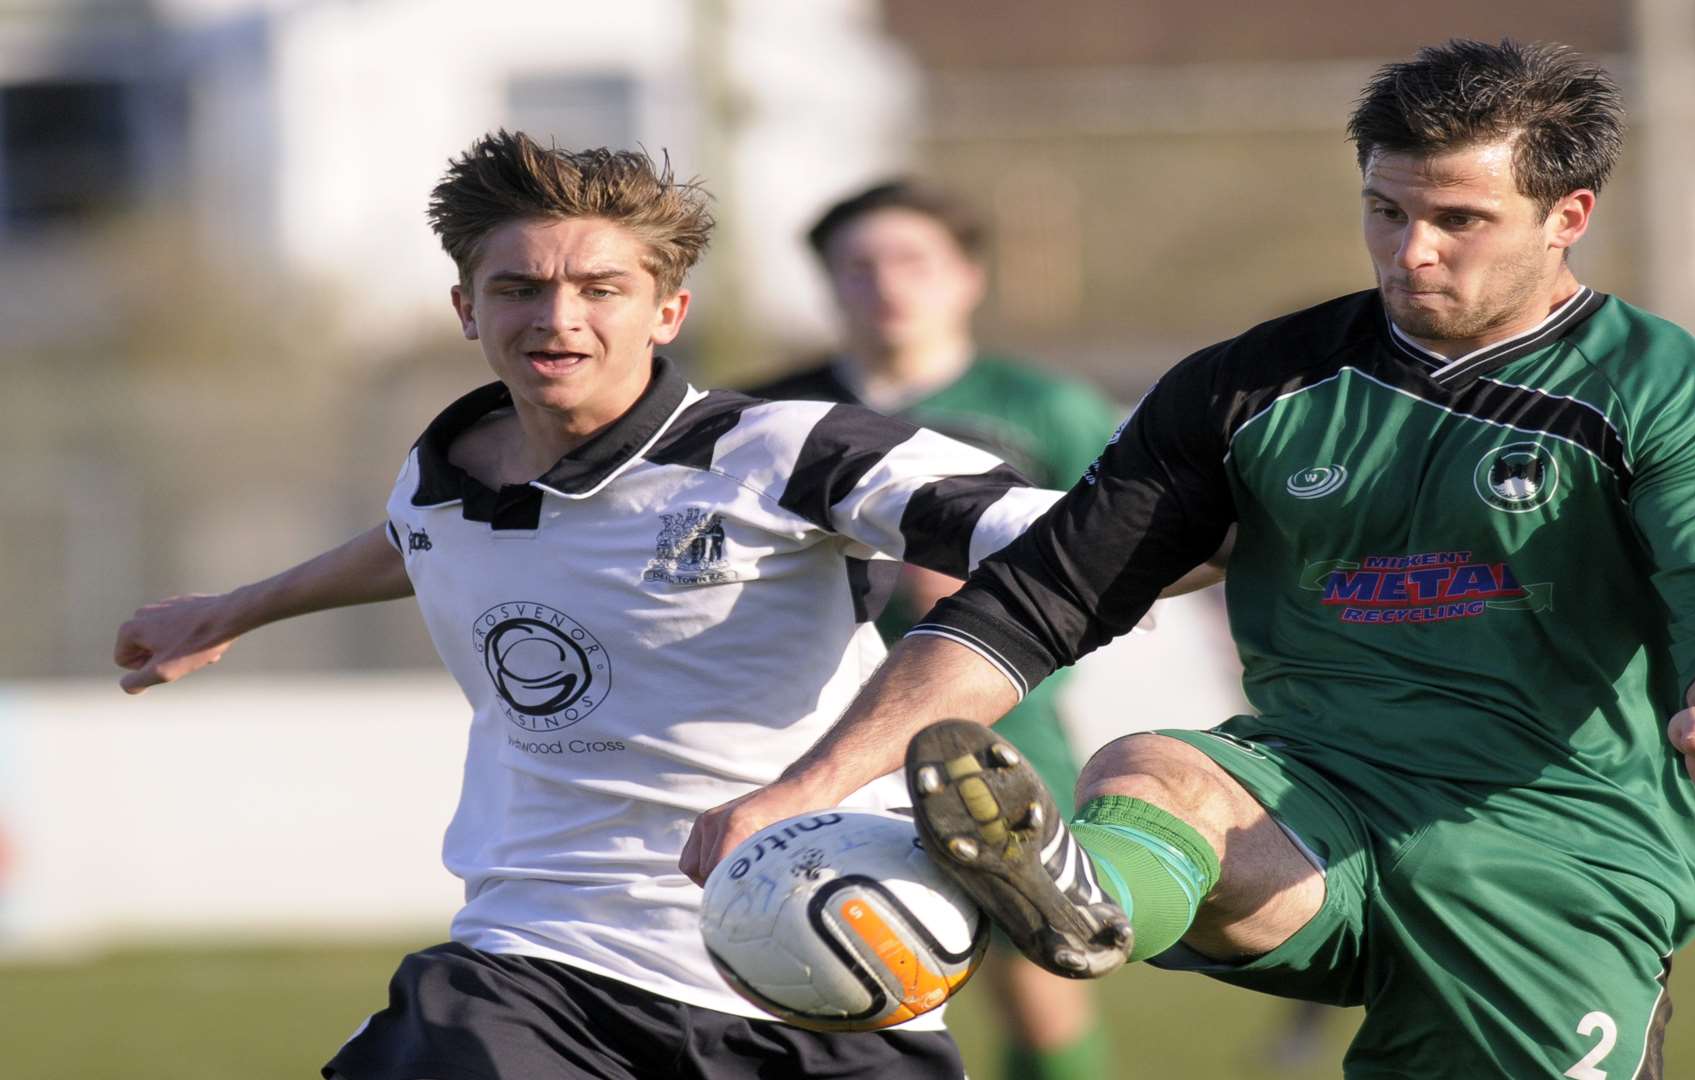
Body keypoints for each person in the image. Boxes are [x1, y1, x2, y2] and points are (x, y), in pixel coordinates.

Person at [684, 40, 1695, 1078]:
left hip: (1553, 846)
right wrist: (801, 793)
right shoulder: (1249, 386)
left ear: (1567, 214)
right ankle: (1091, 897)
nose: (1411, 250)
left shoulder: (1665, 396)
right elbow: (1031, 604)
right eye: (1385, 210)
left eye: (1459, 221)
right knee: (1152, 771)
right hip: (1313, 802)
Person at [112, 130, 1075, 1079]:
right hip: (539, 961)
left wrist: (1213, 523)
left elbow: (1083, 541)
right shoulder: (442, 478)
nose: (556, 318)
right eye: (519, 288)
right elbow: (416, 543)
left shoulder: (786, 452)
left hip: (823, 958)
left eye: (600, 289)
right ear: (466, 306)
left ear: (668, 311)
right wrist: (233, 608)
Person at [750, 179, 1117, 1080]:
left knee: (1043, 970)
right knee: (813, 966)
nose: (886, 286)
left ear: (967, 278)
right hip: (809, 723)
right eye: (858, 267)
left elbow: (1122, 564)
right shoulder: (768, 416)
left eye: (912, 261)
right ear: (828, 284)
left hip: (994, 723)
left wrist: (989, 576)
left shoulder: (1047, 408)